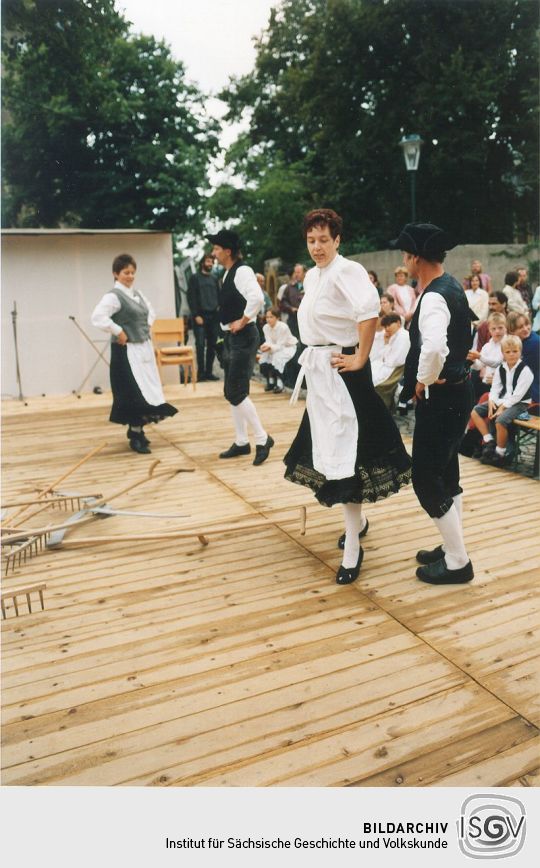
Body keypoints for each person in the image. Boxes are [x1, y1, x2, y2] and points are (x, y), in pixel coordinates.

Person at [284, 209, 411, 585]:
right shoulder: (313, 275)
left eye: (324, 239)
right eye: (312, 240)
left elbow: (368, 312)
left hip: (344, 370)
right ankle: (360, 523)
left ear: (338, 240)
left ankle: (354, 546)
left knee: (348, 458)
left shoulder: (348, 270)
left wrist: (360, 357)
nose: (317, 246)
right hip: (321, 373)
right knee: (330, 452)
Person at [390, 222, 474, 585]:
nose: (403, 260)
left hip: (442, 397)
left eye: (405, 254)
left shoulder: (434, 296)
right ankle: (451, 545)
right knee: (446, 472)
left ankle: (458, 561)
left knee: (425, 477)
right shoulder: (450, 285)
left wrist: (424, 379)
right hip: (458, 393)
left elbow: (436, 346)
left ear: (415, 257)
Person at [91, 253, 178, 454]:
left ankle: (138, 430)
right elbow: (97, 317)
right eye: (125, 272)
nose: (129, 276)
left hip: (142, 347)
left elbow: (150, 313)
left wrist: (144, 329)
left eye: (132, 272)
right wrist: (118, 331)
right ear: (116, 274)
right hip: (126, 351)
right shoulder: (113, 296)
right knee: (133, 391)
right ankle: (135, 433)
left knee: (146, 389)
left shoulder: (137, 294)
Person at [206, 228, 274, 465]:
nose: (213, 253)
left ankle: (262, 439)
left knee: (234, 392)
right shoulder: (228, 274)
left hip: (244, 336)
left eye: (216, 249)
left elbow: (257, 298)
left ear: (227, 251)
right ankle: (242, 441)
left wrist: (243, 320)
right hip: (233, 338)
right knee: (235, 392)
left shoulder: (242, 271)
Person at [470, 335, 533, 467]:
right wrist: (492, 400)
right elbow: (495, 387)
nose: (511, 355)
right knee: (475, 411)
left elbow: (517, 395)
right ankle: (489, 441)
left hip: (520, 403)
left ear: (520, 351)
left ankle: (500, 453)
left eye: (515, 351)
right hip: (502, 399)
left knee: (500, 420)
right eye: (508, 352)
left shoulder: (525, 371)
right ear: (503, 353)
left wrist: (502, 408)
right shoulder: (501, 368)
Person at [187, 253, 220, 381]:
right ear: (202, 263)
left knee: (212, 345)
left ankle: (209, 373)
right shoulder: (195, 278)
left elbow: (219, 295)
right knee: (200, 345)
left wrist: (219, 309)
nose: (210, 264)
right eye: (208, 261)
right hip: (200, 317)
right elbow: (191, 297)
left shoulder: (214, 278)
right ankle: (200, 374)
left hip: (214, 317)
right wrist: (196, 315)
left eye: (212, 262)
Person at [371, 313, 411, 410]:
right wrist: (386, 342)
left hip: (395, 369)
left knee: (372, 378)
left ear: (398, 323)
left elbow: (397, 360)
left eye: (389, 325)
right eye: (385, 326)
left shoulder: (403, 336)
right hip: (388, 365)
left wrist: (386, 359)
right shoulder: (394, 336)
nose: (387, 328)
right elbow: (382, 355)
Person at [259, 307, 298, 393]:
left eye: (271, 317)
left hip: (288, 347)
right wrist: (264, 347)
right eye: (267, 317)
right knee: (264, 357)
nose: (268, 319)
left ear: (278, 318)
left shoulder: (283, 327)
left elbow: (281, 344)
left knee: (277, 357)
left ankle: (280, 384)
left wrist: (270, 348)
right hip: (275, 347)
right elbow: (268, 341)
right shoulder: (266, 327)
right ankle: (271, 382)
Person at [506, 312, 540, 405]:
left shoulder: (534, 343)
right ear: (511, 331)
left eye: (527, 324)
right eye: (520, 327)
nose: (525, 329)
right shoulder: (518, 341)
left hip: (533, 393)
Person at [279, 263, 306, 339]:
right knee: (294, 342)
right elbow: (283, 302)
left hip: (306, 320)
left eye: (298, 272)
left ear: (304, 273)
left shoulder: (310, 286)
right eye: (295, 272)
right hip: (293, 319)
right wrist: (291, 308)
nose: (296, 275)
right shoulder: (289, 287)